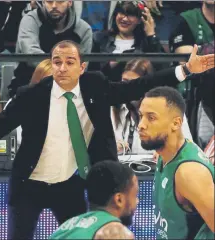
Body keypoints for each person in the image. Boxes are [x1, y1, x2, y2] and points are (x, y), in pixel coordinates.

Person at [0, 40, 214, 240]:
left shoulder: (95, 85)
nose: (62, 68)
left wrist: (185, 70)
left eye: (69, 62)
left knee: (83, 235)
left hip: (69, 184)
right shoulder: (32, 95)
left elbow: (137, 86)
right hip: (29, 184)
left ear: (81, 67)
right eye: (57, 62)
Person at [138, 86, 214, 239]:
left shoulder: (189, 172)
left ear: (176, 123)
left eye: (151, 118)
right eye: (141, 116)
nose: (141, 125)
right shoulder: (164, 154)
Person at [9, 0, 93, 97]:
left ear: (70, 2)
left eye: (60, 1)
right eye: (49, 1)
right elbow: (31, 55)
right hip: (26, 85)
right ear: (43, 2)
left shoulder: (83, 29)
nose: (54, 6)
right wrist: (63, 68)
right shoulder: (30, 20)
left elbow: (82, 66)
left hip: (68, 90)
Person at [111, 58, 192, 155]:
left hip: (155, 167)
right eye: (125, 81)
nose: (129, 88)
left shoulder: (169, 108)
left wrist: (166, 153)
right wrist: (111, 148)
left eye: (134, 84)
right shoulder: (114, 108)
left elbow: (187, 148)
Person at [49, 160, 137, 239]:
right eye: (135, 195)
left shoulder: (65, 228)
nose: (137, 201)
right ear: (119, 200)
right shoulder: (114, 232)